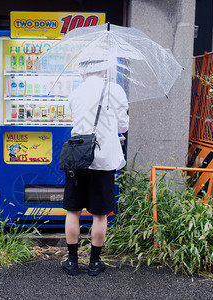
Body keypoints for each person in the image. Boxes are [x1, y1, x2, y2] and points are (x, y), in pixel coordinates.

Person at [61, 49, 129, 276]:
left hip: (78, 159)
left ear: (83, 70)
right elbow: (123, 126)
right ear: (103, 69)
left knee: (73, 211)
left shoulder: (75, 92)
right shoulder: (116, 90)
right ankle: (94, 263)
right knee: (100, 214)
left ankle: (71, 262)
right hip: (104, 160)